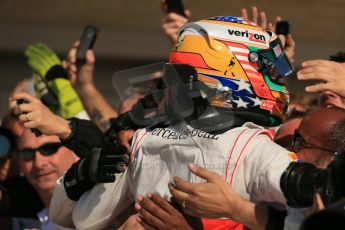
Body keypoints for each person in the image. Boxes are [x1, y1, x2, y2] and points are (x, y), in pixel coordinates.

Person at [11, 15, 300, 230]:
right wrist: (86, 172)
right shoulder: (250, 145)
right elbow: (311, 216)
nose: (278, 79)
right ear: (230, 69)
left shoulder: (144, 139)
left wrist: (234, 210)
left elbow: (79, 217)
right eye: (270, 69)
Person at [14, 129, 79, 229]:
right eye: (27, 154)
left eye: (49, 149)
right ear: (20, 164)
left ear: (74, 152)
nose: (38, 164)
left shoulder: (97, 205)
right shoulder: (39, 220)